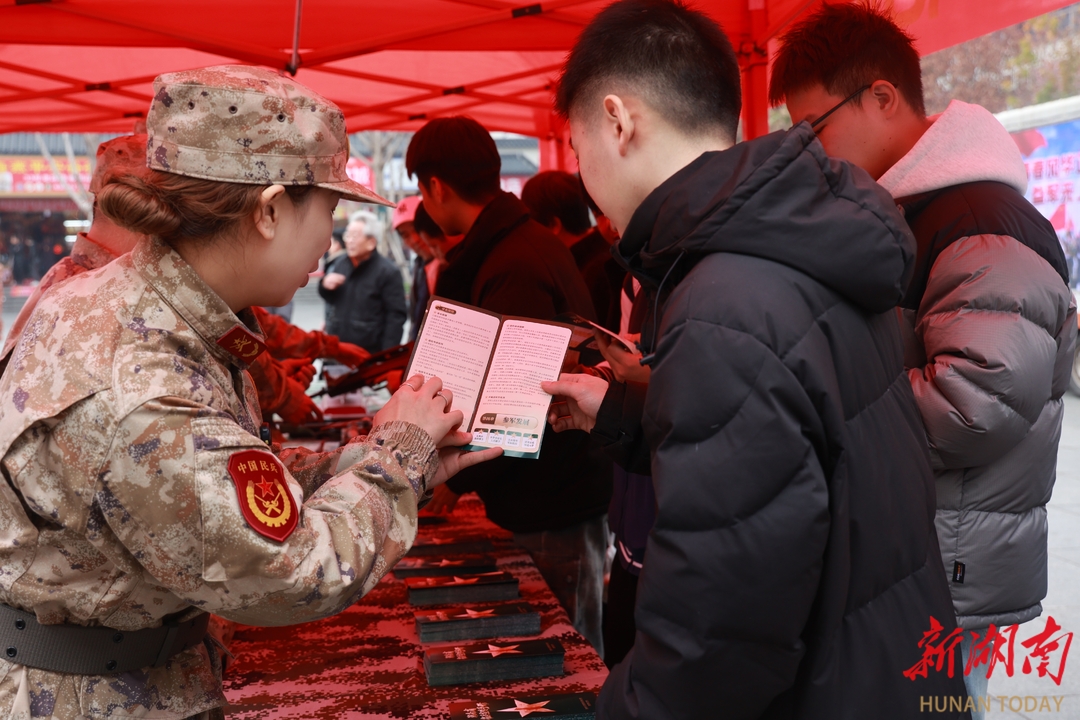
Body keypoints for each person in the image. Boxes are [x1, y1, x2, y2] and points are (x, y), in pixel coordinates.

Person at [0, 65, 499, 720]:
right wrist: (397, 460)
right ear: (268, 210)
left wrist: (383, 462)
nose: (328, 239)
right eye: (328, 210)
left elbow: (230, 474)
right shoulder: (139, 379)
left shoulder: (154, 314)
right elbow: (288, 571)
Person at [542, 0, 969, 716]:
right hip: (880, 668)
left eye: (578, 150)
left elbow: (716, 640)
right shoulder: (789, 246)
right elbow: (795, 448)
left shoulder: (724, 296)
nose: (584, 176)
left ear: (618, 121)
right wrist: (622, 411)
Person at [771, 5, 1078, 712]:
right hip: (918, 544)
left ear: (881, 96)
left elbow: (979, 403)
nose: (811, 153)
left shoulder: (975, 221)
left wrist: (816, 396)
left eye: (815, 129)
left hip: (949, 560)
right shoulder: (913, 212)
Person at [407, 116, 613, 656]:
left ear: (435, 188)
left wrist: (455, 479)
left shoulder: (511, 264)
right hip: (556, 492)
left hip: (553, 498)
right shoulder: (524, 243)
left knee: (564, 658)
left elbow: (516, 405)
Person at [319, 210, 407, 352]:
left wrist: (386, 355)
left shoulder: (388, 272)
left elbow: (395, 318)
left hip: (369, 352)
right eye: (348, 235)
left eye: (355, 236)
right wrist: (324, 285)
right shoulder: (339, 263)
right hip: (338, 349)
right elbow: (330, 300)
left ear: (371, 242)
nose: (349, 240)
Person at [392, 195, 435, 340]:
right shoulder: (419, 265)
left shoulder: (448, 265)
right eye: (405, 235)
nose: (414, 239)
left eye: (416, 229)